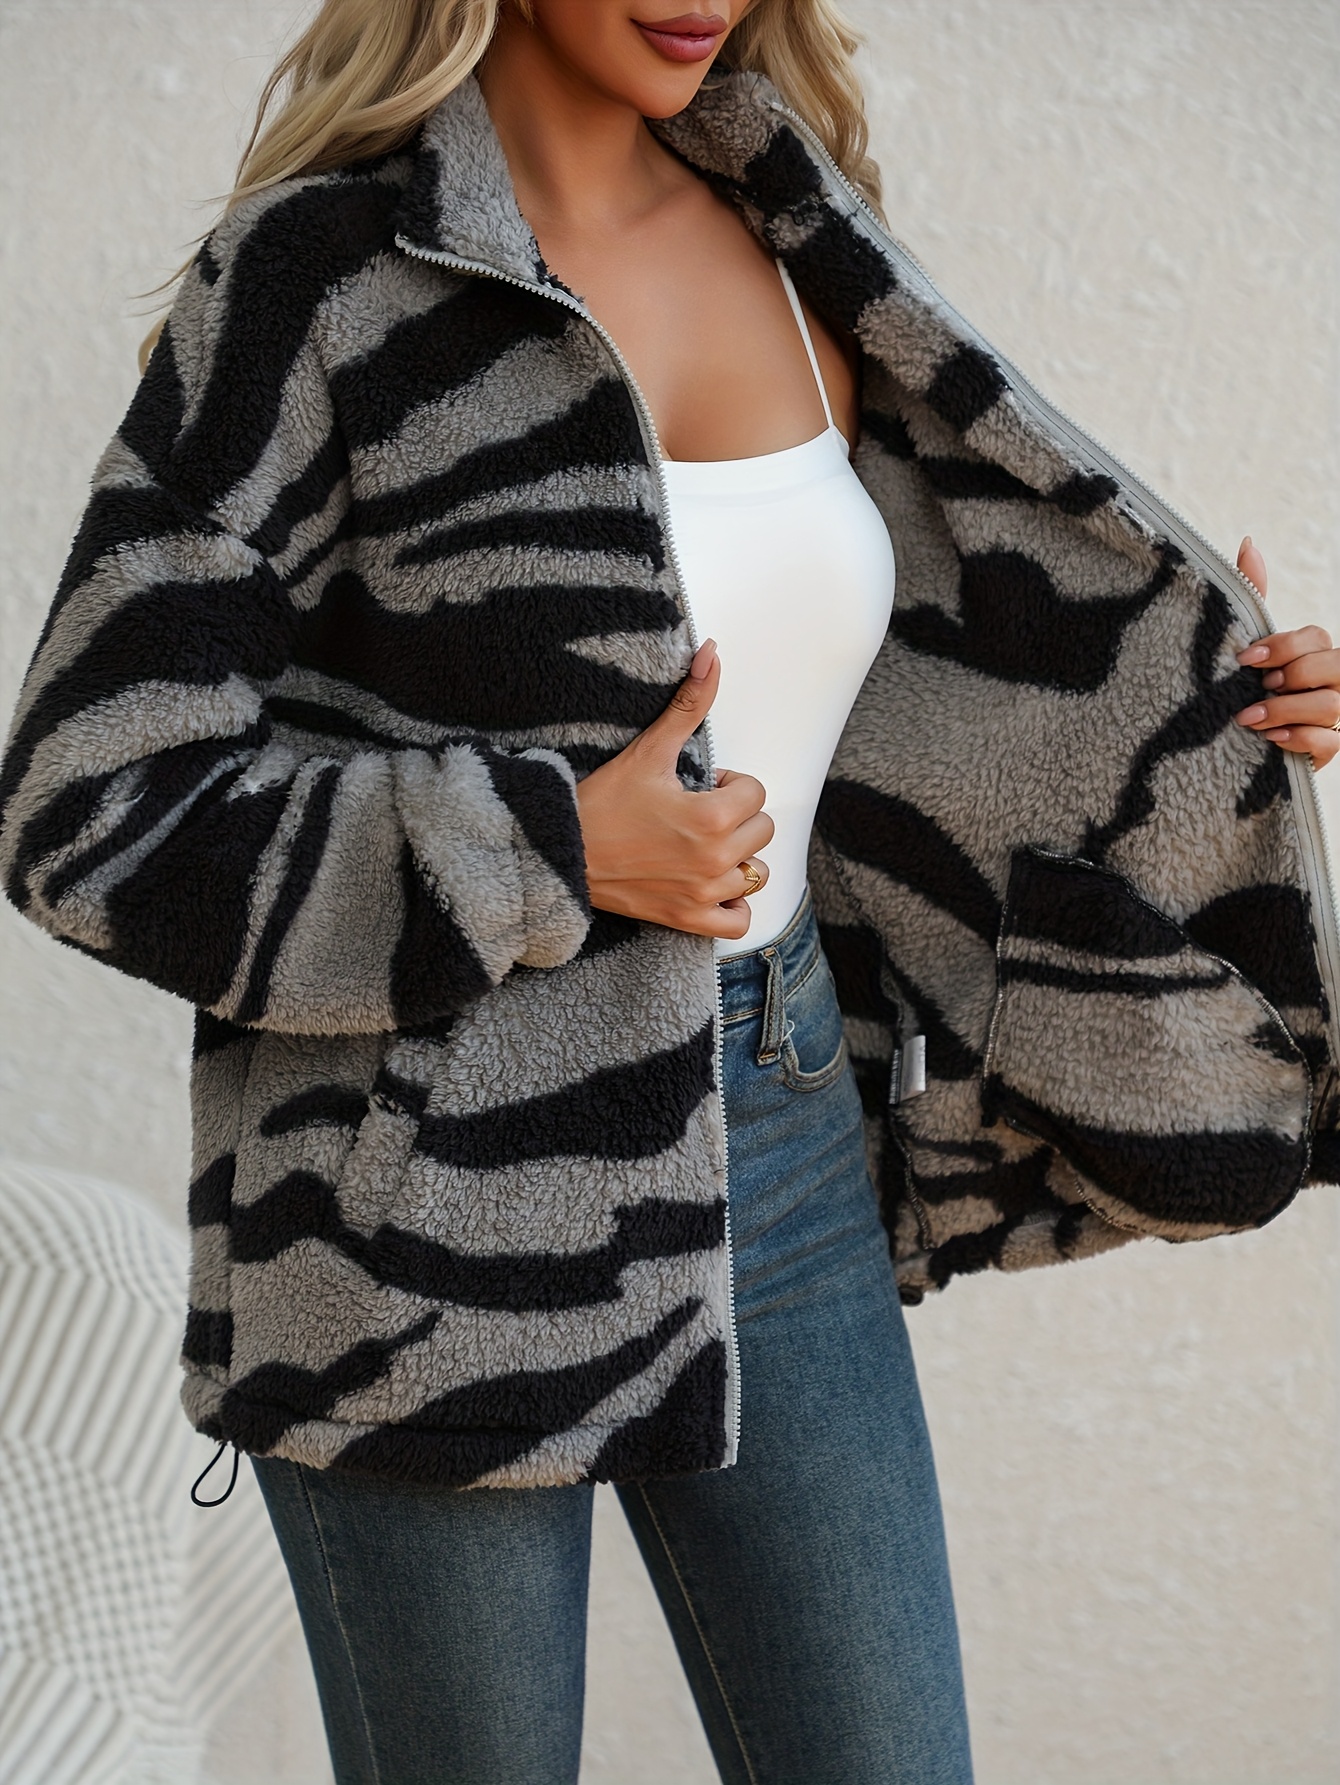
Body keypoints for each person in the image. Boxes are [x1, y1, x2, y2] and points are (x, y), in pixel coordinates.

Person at [2, 3, 1338, 1781]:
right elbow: (88, 806)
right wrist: (551, 847)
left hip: (782, 1118)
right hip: (425, 1203)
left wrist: (1202, 705)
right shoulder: (323, 281)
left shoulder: (797, 229)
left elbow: (910, 690)